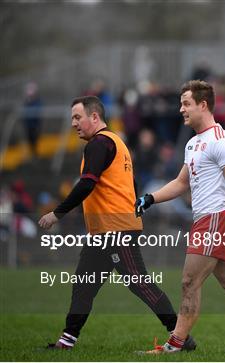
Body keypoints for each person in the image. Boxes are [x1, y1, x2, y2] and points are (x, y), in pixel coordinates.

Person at [135, 80, 225, 356]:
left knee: (189, 282)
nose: (181, 109)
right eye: (181, 104)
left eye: (186, 104)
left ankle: (174, 345)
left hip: (216, 219)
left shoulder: (220, 141)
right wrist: (150, 199)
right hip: (210, 220)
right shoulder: (193, 144)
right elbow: (181, 183)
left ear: (203, 105)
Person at [38, 96, 184, 350]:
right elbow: (131, 185)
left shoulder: (99, 144)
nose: (73, 123)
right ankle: (67, 340)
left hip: (116, 228)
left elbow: (86, 183)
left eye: (77, 117)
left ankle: (180, 335)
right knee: (84, 283)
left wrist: (57, 214)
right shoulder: (117, 142)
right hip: (107, 229)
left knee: (139, 283)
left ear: (94, 117)